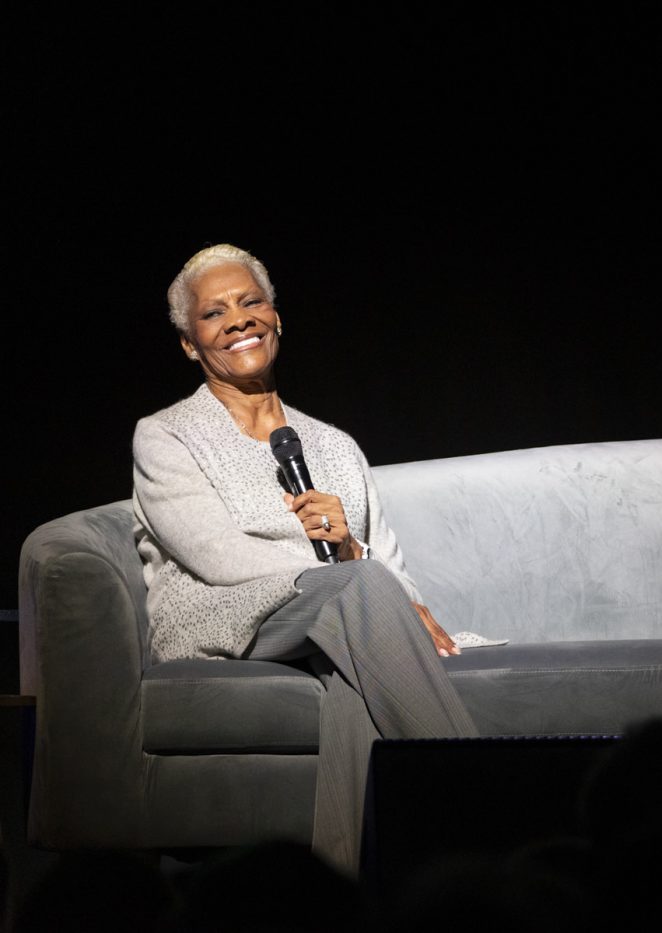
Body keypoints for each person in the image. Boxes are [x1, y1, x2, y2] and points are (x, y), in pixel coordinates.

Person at [132, 244, 481, 873]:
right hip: (221, 614)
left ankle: (344, 888)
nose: (238, 320)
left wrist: (356, 557)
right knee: (359, 592)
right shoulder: (166, 434)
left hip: (330, 611)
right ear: (190, 343)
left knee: (355, 682)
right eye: (214, 314)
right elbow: (218, 558)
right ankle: (489, 821)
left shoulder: (333, 444)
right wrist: (356, 581)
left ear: (276, 318)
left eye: (251, 302)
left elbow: (383, 556)